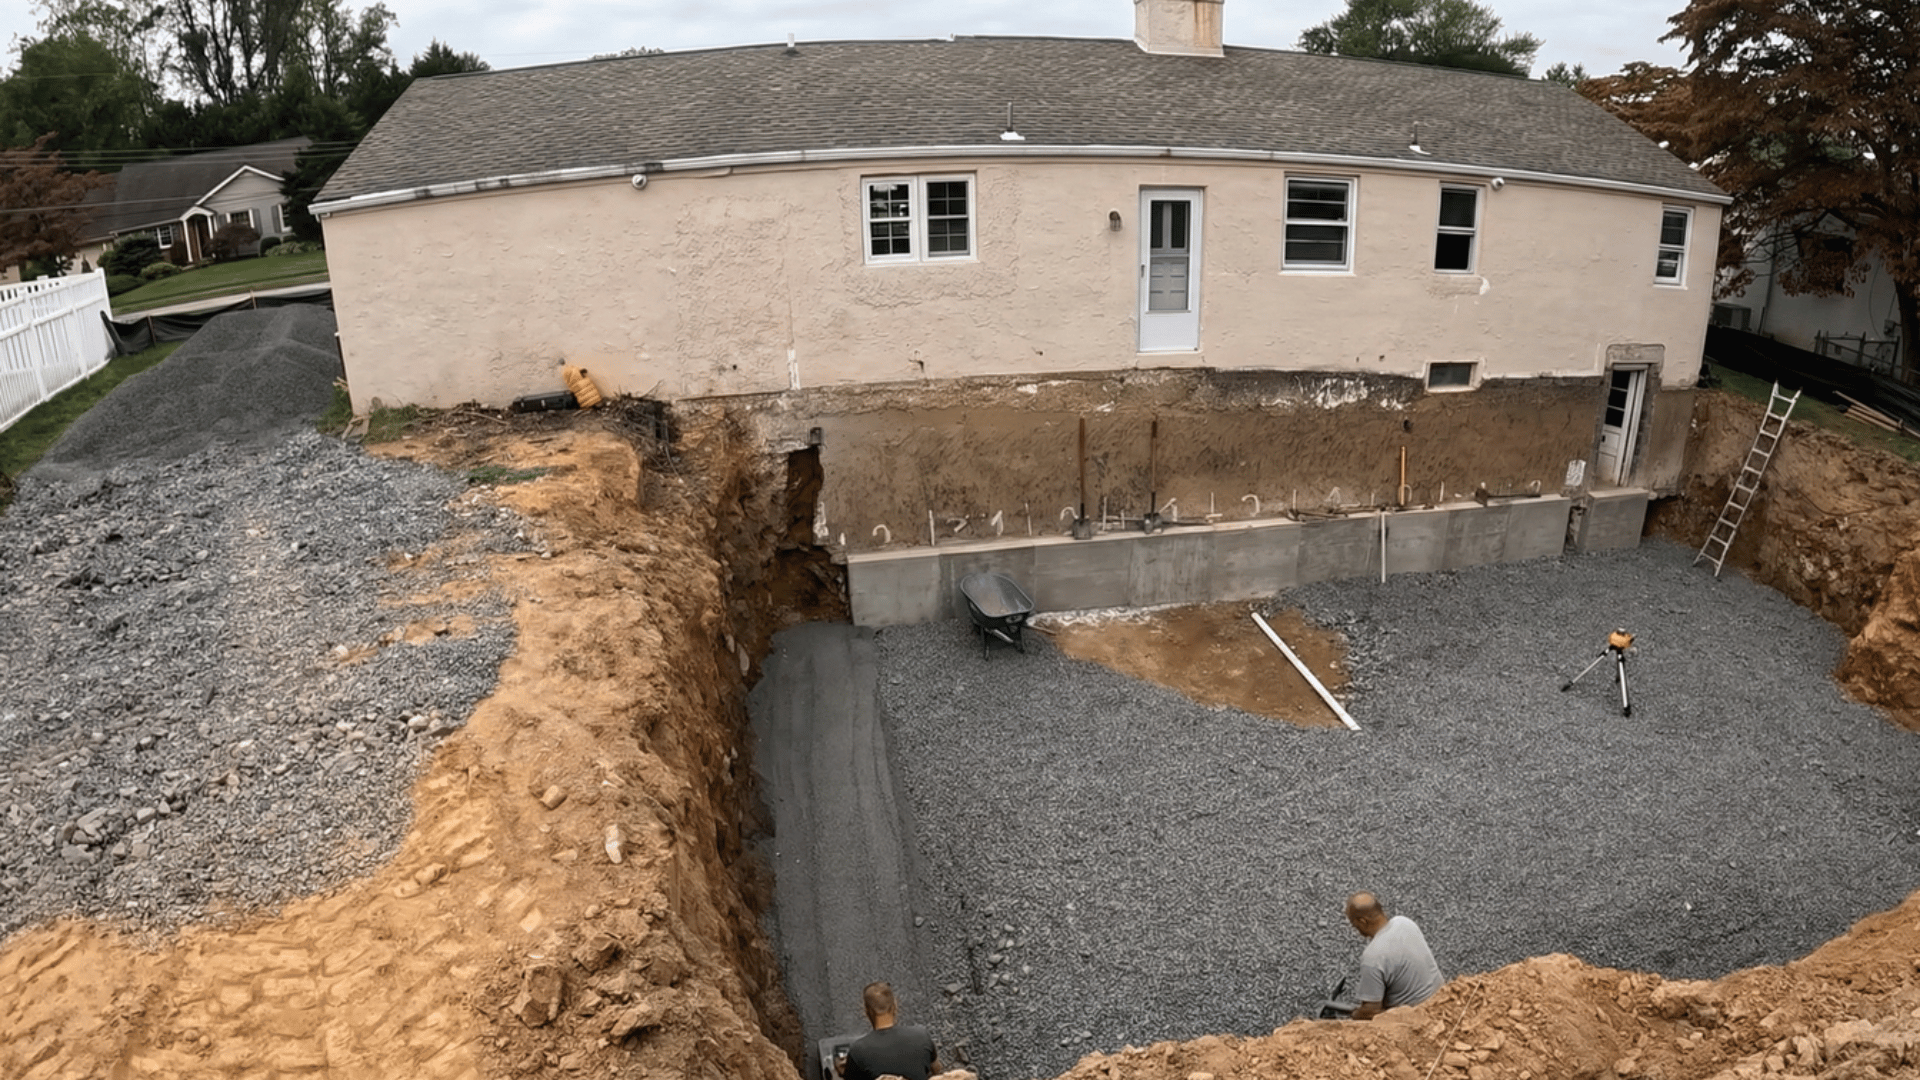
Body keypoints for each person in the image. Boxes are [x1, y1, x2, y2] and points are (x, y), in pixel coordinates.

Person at [1341, 891, 1444, 1020]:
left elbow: (1371, 1012)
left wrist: (1355, 1014)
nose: (1355, 928)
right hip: (1441, 1000)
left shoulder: (1373, 957)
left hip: (1418, 1018)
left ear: (1363, 921)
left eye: (1354, 924)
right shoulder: (1404, 922)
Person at [840, 981, 941, 1080]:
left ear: (866, 1011)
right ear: (895, 1005)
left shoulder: (857, 1051)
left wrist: (841, 1072)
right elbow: (938, 1071)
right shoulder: (922, 1036)